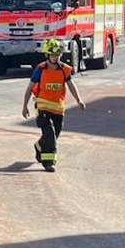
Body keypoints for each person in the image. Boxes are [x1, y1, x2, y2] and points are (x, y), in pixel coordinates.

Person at [21, 38, 85, 173]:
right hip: (43, 106)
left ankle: (39, 146)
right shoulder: (40, 69)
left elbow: (71, 85)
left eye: (58, 55)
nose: (56, 57)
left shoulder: (64, 70)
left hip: (58, 108)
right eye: (53, 55)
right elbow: (30, 88)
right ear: (47, 55)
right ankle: (49, 162)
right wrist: (25, 106)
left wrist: (79, 100)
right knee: (49, 133)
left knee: (54, 134)